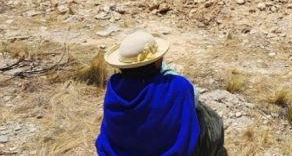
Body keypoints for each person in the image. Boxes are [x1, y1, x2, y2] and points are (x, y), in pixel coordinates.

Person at [96, 31, 227, 156]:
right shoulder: (178, 87)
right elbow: (194, 97)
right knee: (209, 119)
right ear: (157, 61)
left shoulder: (114, 87)